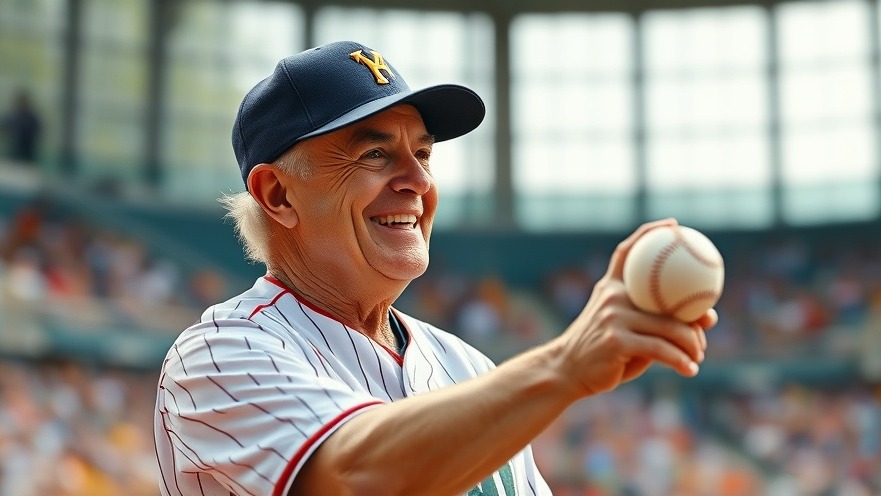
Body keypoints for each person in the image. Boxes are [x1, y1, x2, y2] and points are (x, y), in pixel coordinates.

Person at [153, 40, 715, 496]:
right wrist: (565, 365)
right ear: (277, 194)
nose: (418, 183)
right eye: (374, 154)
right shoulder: (220, 354)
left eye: (422, 154)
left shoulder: (468, 366)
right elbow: (357, 478)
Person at [1, 90, 42, 165]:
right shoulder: (13, 117)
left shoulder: (32, 118)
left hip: (28, 153)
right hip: (15, 152)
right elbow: (4, 127)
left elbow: (37, 131)